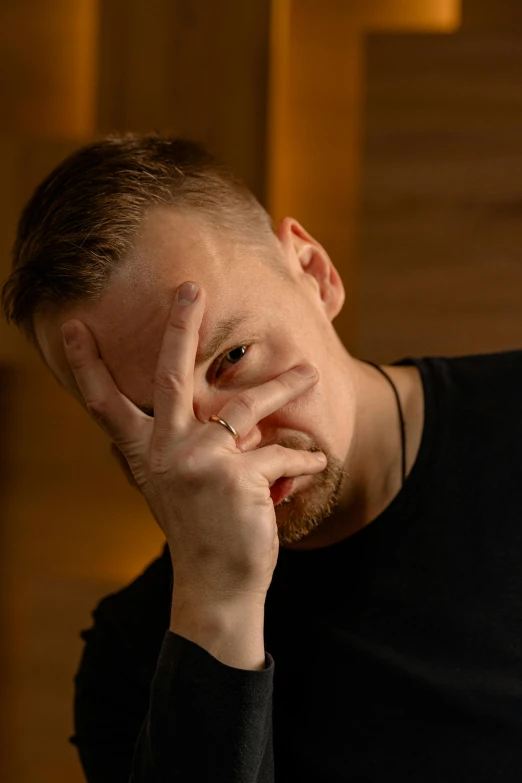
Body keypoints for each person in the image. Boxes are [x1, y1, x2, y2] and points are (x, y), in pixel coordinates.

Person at [2, 133, 522, 783]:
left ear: (314, 271)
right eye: (154, 418)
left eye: (232, 358)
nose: (222, 446)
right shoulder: (137, 664)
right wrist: (219, 601)